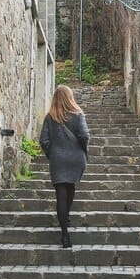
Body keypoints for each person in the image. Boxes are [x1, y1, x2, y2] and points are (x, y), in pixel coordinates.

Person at [39, 85, 90, 248]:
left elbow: (43, 140)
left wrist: (51, 153)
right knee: (71, 187)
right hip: (75, 157)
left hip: (58, 159)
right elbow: (84, 135)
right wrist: (82, 150)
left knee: (60, 194)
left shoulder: (49, 117)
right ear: (70, 97)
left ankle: (65, 234)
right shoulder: (78, 114)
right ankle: (66, 216)